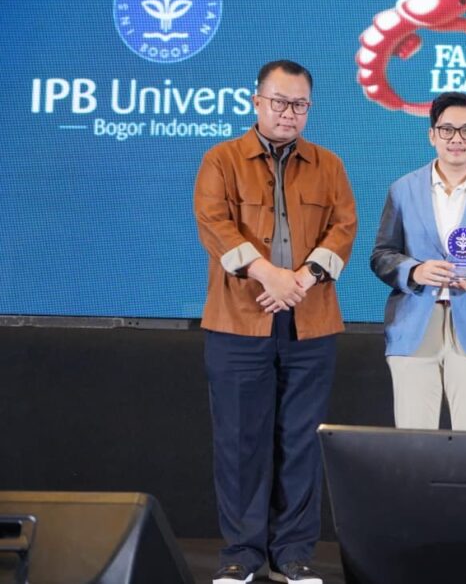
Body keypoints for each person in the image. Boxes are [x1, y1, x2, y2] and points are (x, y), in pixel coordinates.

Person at [194, 60, 357, 584]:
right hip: (238, 323)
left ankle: (294, 555)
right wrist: (269, 275)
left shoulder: (328, 164)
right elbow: (214, 225)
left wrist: (300, 281)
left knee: (301, 441)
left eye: (300, 104)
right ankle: (241, 555)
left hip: (311, 325)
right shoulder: (221, 159)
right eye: (281, 102)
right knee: (241, 441)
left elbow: (343, 229)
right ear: (257, 102)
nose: (290, 113)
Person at [370, 92, 466, 431]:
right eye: (447, 129)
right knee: (413, 438)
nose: (457, 138)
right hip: (414, 323)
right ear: (432, 135)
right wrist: (415, 271)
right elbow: (382, 254)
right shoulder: (402, 189)